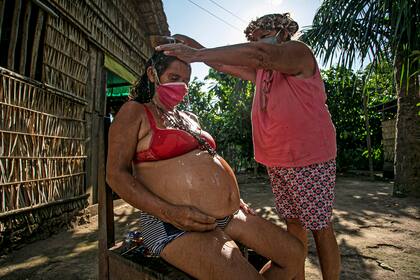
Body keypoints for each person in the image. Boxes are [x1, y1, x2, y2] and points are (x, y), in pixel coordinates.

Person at [156, 13, 341, 280]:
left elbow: (260, 54)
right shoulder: (265, 72)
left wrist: (197, 54)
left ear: (280, 31)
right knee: (294, 223)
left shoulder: (298, 53)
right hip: (280, 160)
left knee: (320, 226)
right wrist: (193, 48)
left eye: (260, 37)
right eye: (253, 38)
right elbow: (222, 64)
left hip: (308, 157)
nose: (256, 41)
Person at [106, 50, 304, 279]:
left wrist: (229, 196)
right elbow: (115, 175)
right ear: (152, 74)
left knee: (294, 255)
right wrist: (170, 212)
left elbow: (208, 162)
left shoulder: (188, 117)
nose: (182, 86)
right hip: (173, 223)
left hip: (227, 215)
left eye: (186, 81)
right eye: (174, 78)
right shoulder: (136, 111)